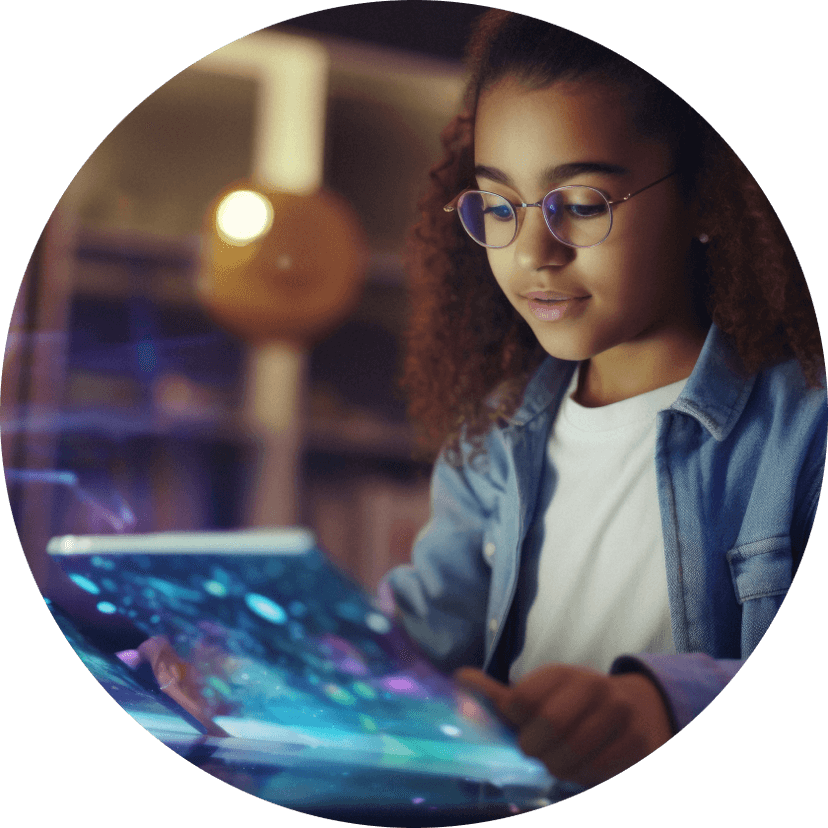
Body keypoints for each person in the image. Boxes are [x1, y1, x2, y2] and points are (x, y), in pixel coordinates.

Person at [380, 9, 827, 795]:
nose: (531, 252)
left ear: (707, 201)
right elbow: (414, 636)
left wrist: (660, 709)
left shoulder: (805, 432)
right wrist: (252, 657)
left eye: (581, 204)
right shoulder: (490, 437)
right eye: (497, 206)